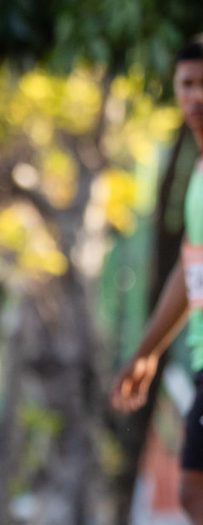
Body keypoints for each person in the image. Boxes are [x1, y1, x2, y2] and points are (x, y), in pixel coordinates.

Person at [113, 39, 203, 523]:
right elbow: (190, 273)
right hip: (199, 356)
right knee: (191, 490)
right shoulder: (198, 177)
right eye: (188, 84)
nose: (197, 96)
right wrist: (146, 350)